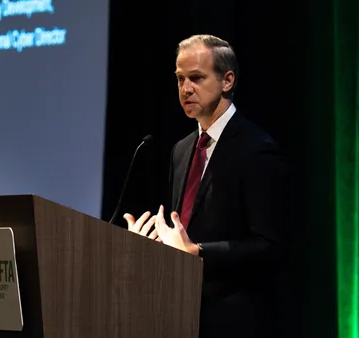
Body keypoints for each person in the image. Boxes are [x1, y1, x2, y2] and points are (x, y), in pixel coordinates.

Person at [123, 34, 287, 338]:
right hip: (179, 314)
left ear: (227, 80)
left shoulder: (257, 149)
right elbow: (182, 231)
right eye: (180, 79)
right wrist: (151, 244)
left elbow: (269, 245)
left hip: (235, 321)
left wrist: (197, 251)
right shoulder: (182, 150)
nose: (185, 89)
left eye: (196, 78)